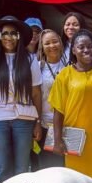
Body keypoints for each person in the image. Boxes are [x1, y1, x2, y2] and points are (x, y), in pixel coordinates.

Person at [0, 16, 43, 183]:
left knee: (22, 168)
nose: (9, 37)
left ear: (19, 36)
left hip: (24, 119)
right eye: (5, 33)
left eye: (13, 33)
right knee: (2, 168)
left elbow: (36, 93)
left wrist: (38, 122)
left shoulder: (29, 60)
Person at [48, 29, 92, 183]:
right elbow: (58, 110)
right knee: (77, 181)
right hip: (74, 137)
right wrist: (57, 140)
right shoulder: (64, 75)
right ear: (73, 50)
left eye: (90, 46)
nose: (86, 50)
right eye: (81, 47)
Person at [31, 29, 66, 170]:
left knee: (67, 167)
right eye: (47, 43)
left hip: (68, 124)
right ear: (42, 47)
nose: (52, 46)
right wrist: (37, 122)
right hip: (46, 124)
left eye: (55, 41)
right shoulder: (38, 67)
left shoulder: (70, 65)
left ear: (61, 43)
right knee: (48, 167)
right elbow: (34, 96)